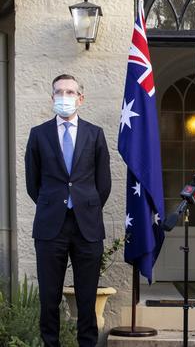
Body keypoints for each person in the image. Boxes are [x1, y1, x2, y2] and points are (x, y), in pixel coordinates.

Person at [25, 74, 111, 347]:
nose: (65, 97)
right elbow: (32, 183)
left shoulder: (95, 134)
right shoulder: (38, 135)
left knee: (87, 299)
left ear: (81, 98)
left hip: (87, 226)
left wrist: (86, 206)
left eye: (70, 92)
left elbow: (104, 184)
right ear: (52, 98)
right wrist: (54, 204)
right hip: (51, 227)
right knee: (49, 298)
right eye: (59, 92)